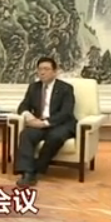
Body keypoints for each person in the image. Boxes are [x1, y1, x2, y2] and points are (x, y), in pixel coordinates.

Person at [15, 56, 76, 187]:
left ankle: (37, 169)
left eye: (46, 69)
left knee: (55, 137)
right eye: (40, 69)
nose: (42, 72)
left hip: (61, 124)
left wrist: (45, 123)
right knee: (26, 135)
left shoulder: (66, 88)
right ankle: (27, 173)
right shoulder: (34, 87)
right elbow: (23, 106)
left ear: (55, 72)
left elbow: (66, 112)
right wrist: (29, 117)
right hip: (39, 123)